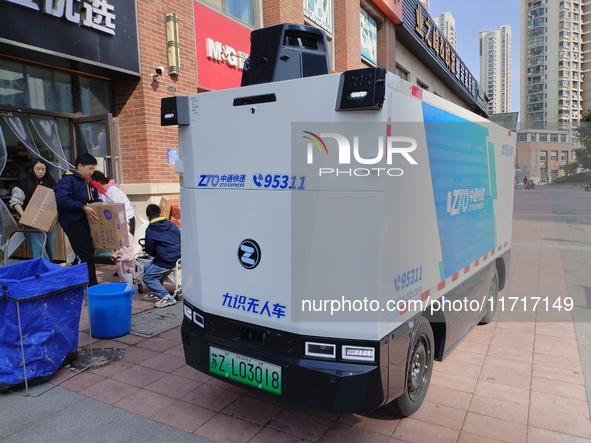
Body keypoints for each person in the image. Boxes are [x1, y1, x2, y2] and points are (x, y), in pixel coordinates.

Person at [54, 153, 100, 286]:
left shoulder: (88, 182)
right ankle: (91, 287)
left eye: (93, 169)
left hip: (88, 221)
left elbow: (95, 200)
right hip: (74, 221)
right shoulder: (67, 181)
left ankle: (80, 283)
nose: (92, 172)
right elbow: (62, 200)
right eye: (90, 169)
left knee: (86, 254)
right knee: (86, 255)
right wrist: (83, 207)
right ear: (80, 166)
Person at [9, 159, 57, 261]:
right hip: (32, 222)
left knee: (49, 247)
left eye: (43, 169)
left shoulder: (51, 183)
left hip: (48, 221)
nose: (40, 172)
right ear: (31, 169)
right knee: (38, 248)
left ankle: (48, 267)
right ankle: (43, 271)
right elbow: (15, 202)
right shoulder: (23, 184)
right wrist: (24, 215)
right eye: (38, 169)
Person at [141, 203, 181, 308]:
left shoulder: (150, 230)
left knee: (147, 278)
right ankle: (156, 291)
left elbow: (150, 250)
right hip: (177, 256)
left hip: (165, 259)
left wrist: (159, 254)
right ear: (160, 213)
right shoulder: (171, 224)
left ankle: (167, 297)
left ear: (147, 217)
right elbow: (180, 238)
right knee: (146, 267)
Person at [90, 171, 136, 235]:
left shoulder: (112, 190)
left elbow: (120, 207)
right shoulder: (100, 192)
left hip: (126, 219)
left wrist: (124, 223)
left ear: (98, 182)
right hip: (115, 220)